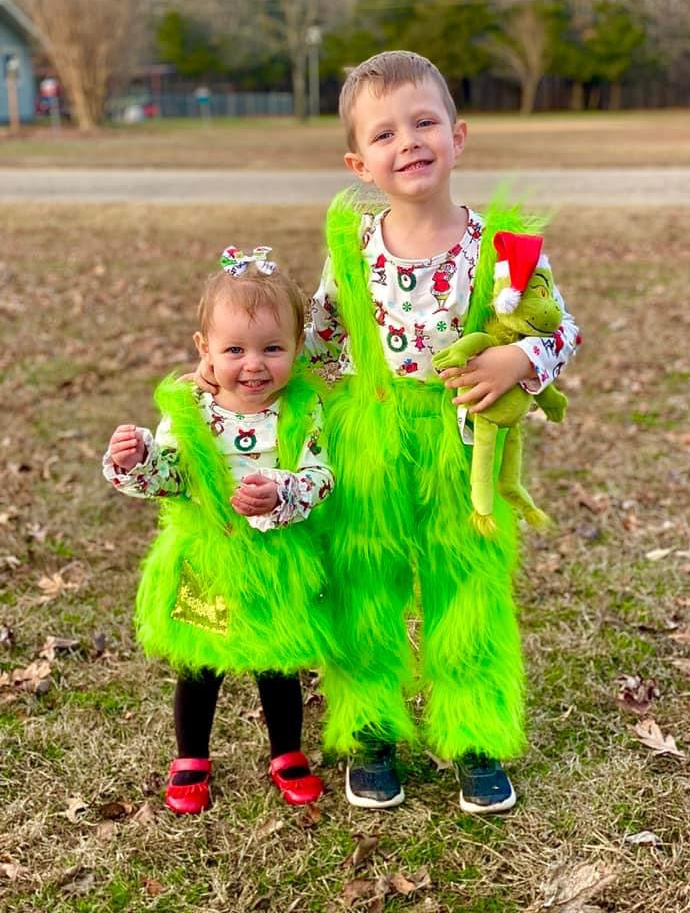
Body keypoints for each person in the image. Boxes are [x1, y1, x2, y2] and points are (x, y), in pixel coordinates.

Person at [303, 51, 581, 813]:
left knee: (469, 588)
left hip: (461, 445)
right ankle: (369, 730)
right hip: (371, 433)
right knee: (366, 583)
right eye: (386, 133)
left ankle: (476, 735)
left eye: (425, 122)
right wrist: (244, 384)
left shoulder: (503, 247)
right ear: (361, 163)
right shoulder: (352, 251)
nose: (409, 141)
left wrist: (517, 356)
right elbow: (317, 345)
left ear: (459, 136)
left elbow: (563, 330)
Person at [102, 246, 334, 814]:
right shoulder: (189, 413)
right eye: (235, 349)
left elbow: (321, 474)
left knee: (277, 661)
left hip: (275, 556)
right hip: (208, 555)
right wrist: (139, 461)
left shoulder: (302, 410)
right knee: (200, 661)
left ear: (298, 349)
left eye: (272, 349)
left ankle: (286, 750)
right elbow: (175, 475)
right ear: (205, 349)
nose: (253, 365)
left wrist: (282, 490)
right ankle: (191, 755)